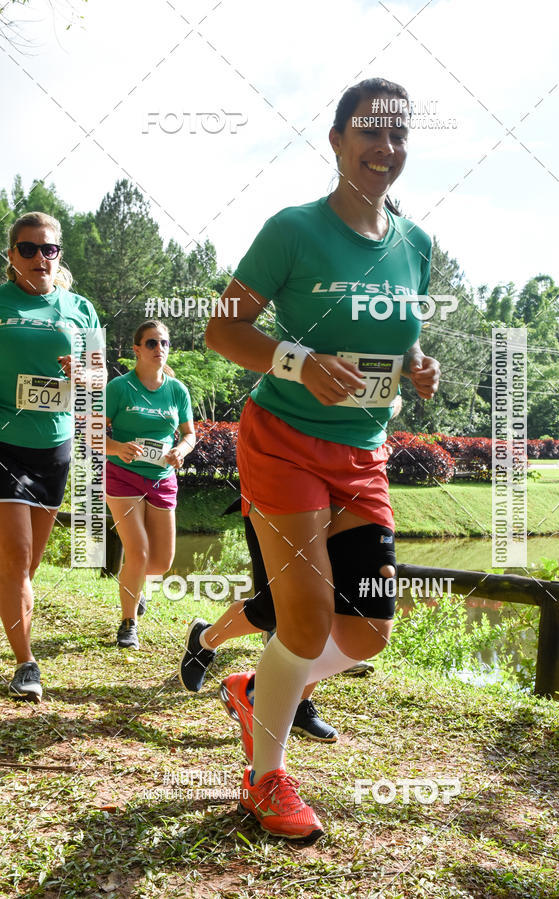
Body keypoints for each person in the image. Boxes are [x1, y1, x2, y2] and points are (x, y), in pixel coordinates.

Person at [205, 77, 440, 843]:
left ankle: (255, 688)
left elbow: (397, 328)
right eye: (369, 132)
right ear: (336, 140)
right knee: (303, 622)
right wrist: (297, 359)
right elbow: (223, 328)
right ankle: (263, 780)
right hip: (284, 440)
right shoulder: (294, 230)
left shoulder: (416, 244)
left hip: (360, 452)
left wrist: (415, 362)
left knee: (369, 626)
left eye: (399, 134)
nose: (386, 148)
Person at [0, 211, 102, 702]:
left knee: (26, 566)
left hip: (54, 448)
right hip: (3, 444)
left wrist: (83, 375)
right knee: (17, 557)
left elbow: (102, 378)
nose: (40, 258)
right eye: (28, 248)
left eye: (49, 249)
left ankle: (11, 616)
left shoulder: (80, 309)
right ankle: (26, 664)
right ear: (11, 254)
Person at [179, 507, 340, 744]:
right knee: (270, 608)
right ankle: (204, 639)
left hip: (328, 504)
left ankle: (298, 705)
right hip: (270, 497)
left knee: (324, 604)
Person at [105, 320, 195, 650]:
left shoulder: (177, 390)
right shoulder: (119, 387)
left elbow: (189, 433)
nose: (160, 349)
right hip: (122, 476)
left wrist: (181, 450)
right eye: (152, 343)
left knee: (161, 562)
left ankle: (135, 589)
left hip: (161, 478)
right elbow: (93, 434)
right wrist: (117, 448)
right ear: (137, 349)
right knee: (138, 552)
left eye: (165, 343)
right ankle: (128, 624)